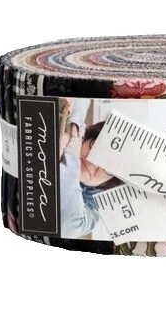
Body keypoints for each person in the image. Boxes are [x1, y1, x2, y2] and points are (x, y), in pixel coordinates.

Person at [59, 98, 121, 239]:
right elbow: (79, 96)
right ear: (86, 135)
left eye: (108, 166)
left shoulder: (91, 213)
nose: (93, 162)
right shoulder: (69, 132)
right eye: (95, 147)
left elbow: (68, 226)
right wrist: (73, 127)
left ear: (109, 182)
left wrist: (71, 154)